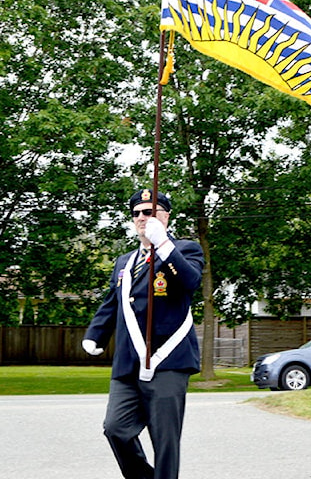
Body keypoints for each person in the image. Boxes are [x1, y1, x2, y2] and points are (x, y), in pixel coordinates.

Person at [82, 188, 204, 479]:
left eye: (148, 212)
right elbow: (113, 301)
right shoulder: (125, 261)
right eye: (136, 213)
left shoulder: (185, 250)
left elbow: (190, 281)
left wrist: (162, 244)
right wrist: (95, 334)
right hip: (128, 363)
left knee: (165, 441)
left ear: (165, 216)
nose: (141, 218)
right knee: (116, 429)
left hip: (168, 361)